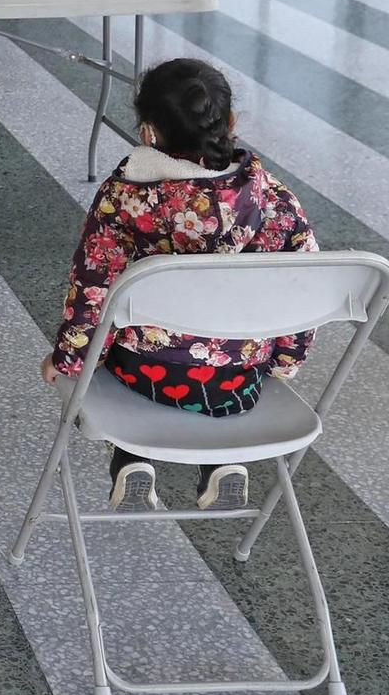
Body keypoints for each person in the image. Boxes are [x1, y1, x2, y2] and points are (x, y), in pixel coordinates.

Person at [40, 59, 319, 510]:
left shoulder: (125, 199)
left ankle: (132, 459)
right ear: (231, 122)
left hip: (143, 375)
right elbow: (303, 290)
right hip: (239, 381)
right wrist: (285, 361)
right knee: (215, 365)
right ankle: (226, 465)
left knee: (117, 351)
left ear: (149, 132)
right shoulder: (272, 197)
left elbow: (91, 290)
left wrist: (67, 359)